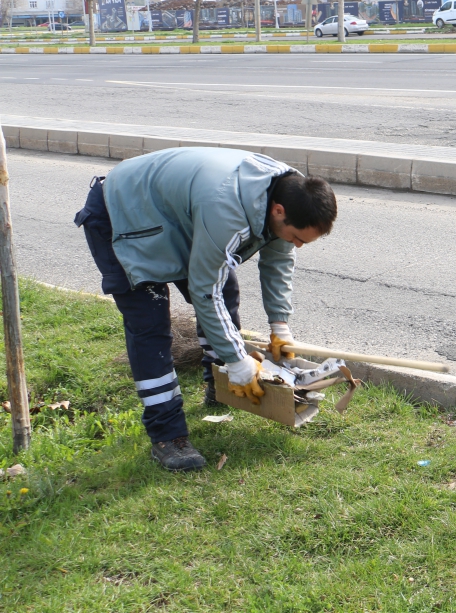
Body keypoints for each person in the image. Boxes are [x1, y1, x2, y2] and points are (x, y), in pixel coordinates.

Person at [75, 148, 338, 472]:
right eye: (297, 237)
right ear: (278, 211)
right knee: (151, 323)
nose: (297, 245)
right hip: (124, 216)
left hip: (175, 219)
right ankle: (168, 437)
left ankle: (223, 387)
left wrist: (279, 324)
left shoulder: (290, 191)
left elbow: (279, 258)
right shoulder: (227, 210)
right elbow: (204, 291)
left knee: (225, 293)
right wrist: (238, 359)